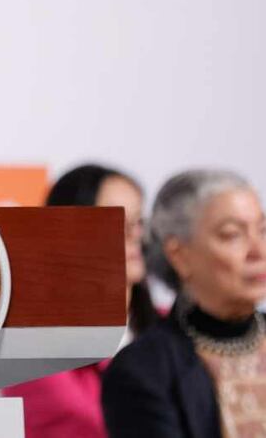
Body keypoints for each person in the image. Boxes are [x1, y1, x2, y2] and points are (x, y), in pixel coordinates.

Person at [102, 170, 266, 438]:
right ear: (180, 256)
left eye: (262, 230)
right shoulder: (144, 370)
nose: (258, 251)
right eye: (232, 234)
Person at [3, 163, 157, 438]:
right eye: (118, 223)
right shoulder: (34, 350)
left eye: (138, 222)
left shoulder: (174, 328)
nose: (135, 236)